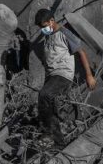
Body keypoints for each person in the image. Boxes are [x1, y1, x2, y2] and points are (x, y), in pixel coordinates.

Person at [34, 8, 96, 144]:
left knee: (44, 95)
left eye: (44, 26)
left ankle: (48, 132)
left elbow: (81, 52)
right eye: (41, 28)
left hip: (63, 74)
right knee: (49, 105)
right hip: (51, 76)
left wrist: (89, 75)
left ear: (52, 20)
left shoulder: (64, 33)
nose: (43, 30)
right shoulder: (48, 36)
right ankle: (58, 140)